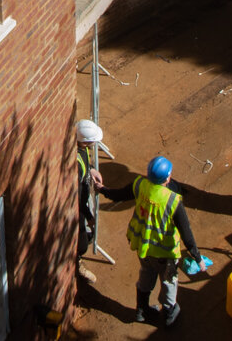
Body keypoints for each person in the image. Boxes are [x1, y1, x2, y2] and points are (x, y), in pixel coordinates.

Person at [103, 155, 201, 328]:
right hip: (165, 253)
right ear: (168, 178)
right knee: (169, 281)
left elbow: (118, 195)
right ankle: (169, 313)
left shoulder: (139, 185)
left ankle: (141, 310)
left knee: (146, 273)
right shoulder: (172, 200)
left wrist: (102, 188)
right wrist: (197, 256)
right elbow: (186, 232)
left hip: (143, 247)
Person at [74, 119, 105, 283]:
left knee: (88, 236)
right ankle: (77, 263)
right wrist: (88, 216)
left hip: (85, 201)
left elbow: (86, 160)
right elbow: (78, 198)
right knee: (83, 243)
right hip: (81, 207)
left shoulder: (82, 149)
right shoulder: (76, 163)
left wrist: (91, 169)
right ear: (85, 141)